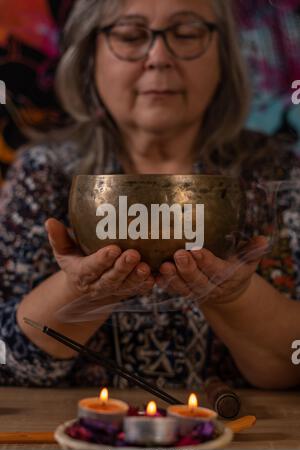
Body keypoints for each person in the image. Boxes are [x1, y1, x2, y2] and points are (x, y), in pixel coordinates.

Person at [0, 0, 299, 389]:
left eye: (187, 34)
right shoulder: (44, 173)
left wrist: (233, 296)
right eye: (130, 35)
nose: (159, 58)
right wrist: (81, 291)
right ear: (90, 57)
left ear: (224, 54)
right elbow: (7, 362)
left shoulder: (278, 173)